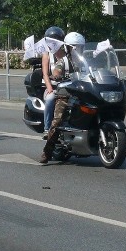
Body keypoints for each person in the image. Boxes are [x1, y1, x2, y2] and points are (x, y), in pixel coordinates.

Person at [39, 31, 84, 164]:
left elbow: (94, 70)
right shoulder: (63, 60)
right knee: (57, 121)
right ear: (67, 47)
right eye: (74, 47)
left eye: (80, 47)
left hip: (81, 92)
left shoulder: (83, 61)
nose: (76, 50)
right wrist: (57, 74)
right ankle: (47, 151)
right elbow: (56, 70)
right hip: (64, 92)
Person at [41, 26, 67, 139]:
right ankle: (47, 128)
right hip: (54, 87)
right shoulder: (47, 54)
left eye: (55, 40)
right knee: (51, 98)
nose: (53, 43)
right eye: (51, 41)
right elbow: (45, 74)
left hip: (68, 86)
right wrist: (49, 87)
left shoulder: (67, 52)